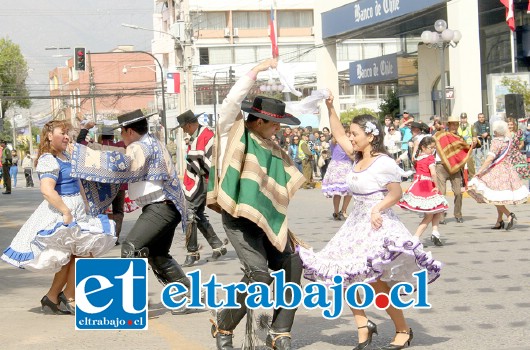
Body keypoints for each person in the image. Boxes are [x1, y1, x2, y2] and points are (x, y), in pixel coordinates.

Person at [298, 93, 441, 350]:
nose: (350, 137)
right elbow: (338, 132)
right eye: (351, 133)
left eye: (355, 133)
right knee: (343, 275)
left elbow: (396, 193)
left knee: (376, 283)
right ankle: (363, 326)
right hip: (356, 224)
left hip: (378, 223)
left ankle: (402, 329)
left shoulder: (383, 162)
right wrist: (330, 107)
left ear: (371, 135)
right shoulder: (356, 156)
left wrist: (378, 209)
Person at [207, 58, 305, 350]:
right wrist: (256, 71)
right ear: (259, 121)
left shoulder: (274, 149)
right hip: (238, 218)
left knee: (293, 262)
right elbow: (230, 102)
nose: (278, 129)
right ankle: (223, 326)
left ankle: (279, 331)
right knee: (259, 276)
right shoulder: (232, 133)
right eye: (275, 124)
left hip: (267, 220)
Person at [71, 109, 195, 314]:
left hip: (161, 206)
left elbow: (122, 163)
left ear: (128, 131)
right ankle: (182, 296)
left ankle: (133, 302)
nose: (121, 136)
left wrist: (87, 155)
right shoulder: (149, 142)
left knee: (131, 247)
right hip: (167, 205)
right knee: (158, 255)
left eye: (122, 131)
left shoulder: (140, 146)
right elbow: (117, 153)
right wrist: (88, 145)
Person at [1, 120, 116, 315]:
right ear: (48, 135)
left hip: (75, 210)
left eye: (67, 133)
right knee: (83, 253)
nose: (66, 136)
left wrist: (87, 207)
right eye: (62, 133)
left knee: (74, 255)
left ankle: (52, 297)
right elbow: (47, 190)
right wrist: (66, 211)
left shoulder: (66, 156)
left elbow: (78, 184)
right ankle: (68, 296)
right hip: (61, 212)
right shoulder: (48, 159)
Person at [176, 109, 227, 267]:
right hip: (202, 178)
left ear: (190, 124)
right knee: (197, 214)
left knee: (190, 214)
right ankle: (217, 245)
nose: (184, 130)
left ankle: (192, 252)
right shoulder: (199, 134)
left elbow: (201, 163)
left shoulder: (204, 135)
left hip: (203, 180)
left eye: (184, 127)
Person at [467, 120, 529, 230]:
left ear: (496, 130)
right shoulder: (507, 140)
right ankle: (499, 220)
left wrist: (480, 171)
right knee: (498, 196)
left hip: (497, 170)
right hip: (508, 170)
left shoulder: (496, 141)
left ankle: (509, 214)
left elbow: (490, 158)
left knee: (493, 196)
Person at [76, 123, 128, 243]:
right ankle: (115, 237)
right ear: (113, 135)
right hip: (120, 185)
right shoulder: (122, 146)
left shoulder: (98, 146)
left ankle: (104, 235)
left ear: (102, 135)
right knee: (118, 212)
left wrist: (85, 129)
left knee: (101, 210)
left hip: (101, 185)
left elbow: (80, 143)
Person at [398, 136, 448, 246]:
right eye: (431, 148)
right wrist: (436, 185)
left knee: (437, 209)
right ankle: (415, 237)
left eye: (434, 148)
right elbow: (433, 173)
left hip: (419, 184)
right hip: (427, 184)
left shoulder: (418, 158)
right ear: (424, 147)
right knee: (430, 213)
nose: (433, 150)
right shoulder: (430, 158)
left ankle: (435, 233)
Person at [434, 115, 470, 224]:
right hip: (441, 166)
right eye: (452, 124)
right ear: (448, 125)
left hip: (455, 167)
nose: (454, 126)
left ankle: (458, 214)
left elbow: (465, 148)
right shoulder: (441, 135)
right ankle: (441, 216)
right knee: (442, 192)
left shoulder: (459, 138)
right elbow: (433, 140)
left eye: (456, 124)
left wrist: (475, 143)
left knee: (458, 192)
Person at [321, 134, 353, 220]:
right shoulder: (334, 142)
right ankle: (336, 211)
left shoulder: (351, 143)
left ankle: (343, 210)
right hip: (337, 167)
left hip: (347, 166)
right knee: (337, 191)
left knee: (349, 190)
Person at [457, 112, 476, 179]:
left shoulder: (471, 126)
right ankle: (463, 177)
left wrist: (474, 142)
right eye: (462, 118)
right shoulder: (458, 127)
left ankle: (472, 176)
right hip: (460, 147)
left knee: (469, 161)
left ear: (466, 118)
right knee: (461, 162)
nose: (463, 119)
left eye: (464, 118)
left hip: (468, 145)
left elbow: (474, 136)